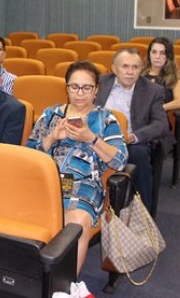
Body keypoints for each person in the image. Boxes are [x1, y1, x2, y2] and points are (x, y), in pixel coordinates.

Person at [27, 60, 128, 274]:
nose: (80, 93)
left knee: (77, 223)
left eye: (86, 87)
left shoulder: (105, 119)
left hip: (84, 185)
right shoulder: (51, 114)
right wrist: (52, 138)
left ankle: (64, 285)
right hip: (47, 181)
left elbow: (119, 161)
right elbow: (28, 155)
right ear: (67, 88)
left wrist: (91, 138)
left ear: (96, 90)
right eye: (74, 87)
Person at [95, 48, 174, 213]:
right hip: (98, 137)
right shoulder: (100, 83)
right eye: (125, 66)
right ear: (114, 68)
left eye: (135, 67)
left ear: (141, 69)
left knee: (138, 155)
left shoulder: (153, 90)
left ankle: (144, 213)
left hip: (131, 141)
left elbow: (161, 124)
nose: (130, 72)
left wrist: (132, 137)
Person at [142, 37, 180, 111]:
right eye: (154, 52)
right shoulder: (140, 73)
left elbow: (179, 102)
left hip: (160, 115)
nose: (157, 57)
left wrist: (157, 109)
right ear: (149, 54)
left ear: (168, 56)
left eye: (162, 53)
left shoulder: (174, 75)